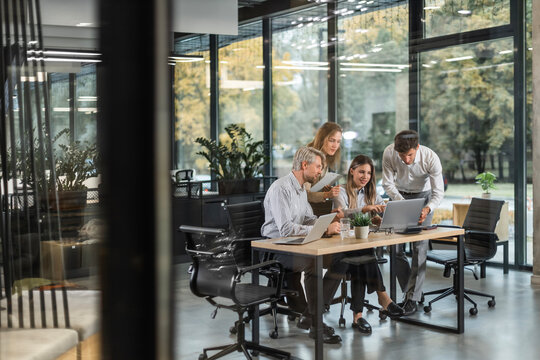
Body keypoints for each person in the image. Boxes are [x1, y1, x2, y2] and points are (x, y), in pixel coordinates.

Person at [261, 146, 345, 344]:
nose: (320, 172)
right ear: (304, 165)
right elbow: (286, 230)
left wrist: (328, 221)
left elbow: (308, 219)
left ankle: (309, 314)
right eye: (318, 167)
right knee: (312, 262)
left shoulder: (300, 189)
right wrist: (323, 230)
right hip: (274, 248)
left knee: (341, 260)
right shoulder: (281, 188)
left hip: (295, 244)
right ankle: (316, 325)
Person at [333, 155, 404, 334]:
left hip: (358, 247)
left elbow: (382, 211)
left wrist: (381, 218)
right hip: (339, 248)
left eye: (369, 173)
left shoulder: (371, 193)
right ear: (352, 171)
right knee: (363, 255)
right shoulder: (340, 191)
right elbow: (341, 214)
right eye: (361, 172)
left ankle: (358, 316)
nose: (365, 176)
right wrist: (363, 210)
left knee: (361, 258)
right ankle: (383, 298)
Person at [381, 130, 444, 315]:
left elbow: (438, 192)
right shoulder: (389, 153)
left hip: (424, 198)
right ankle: (413, 290)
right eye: (402, 156)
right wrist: (403, 205)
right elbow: (387, 184)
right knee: (394, 248)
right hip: (399, 196)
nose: (406, 160)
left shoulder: (430, 157)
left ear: (417, 148)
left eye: (409, 155)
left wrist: (427, 209)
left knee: (419, 248)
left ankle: (411, 298)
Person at [305, 122, 342, 215]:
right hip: (304, 210)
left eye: (338, 141)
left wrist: (323, 189)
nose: (335, 145)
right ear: (322, 139)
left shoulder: (324, 159)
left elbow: (313, 189)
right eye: (332, 140)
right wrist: (326, 195)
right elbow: (305, 194)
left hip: (313, 207)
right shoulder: (309, 157)